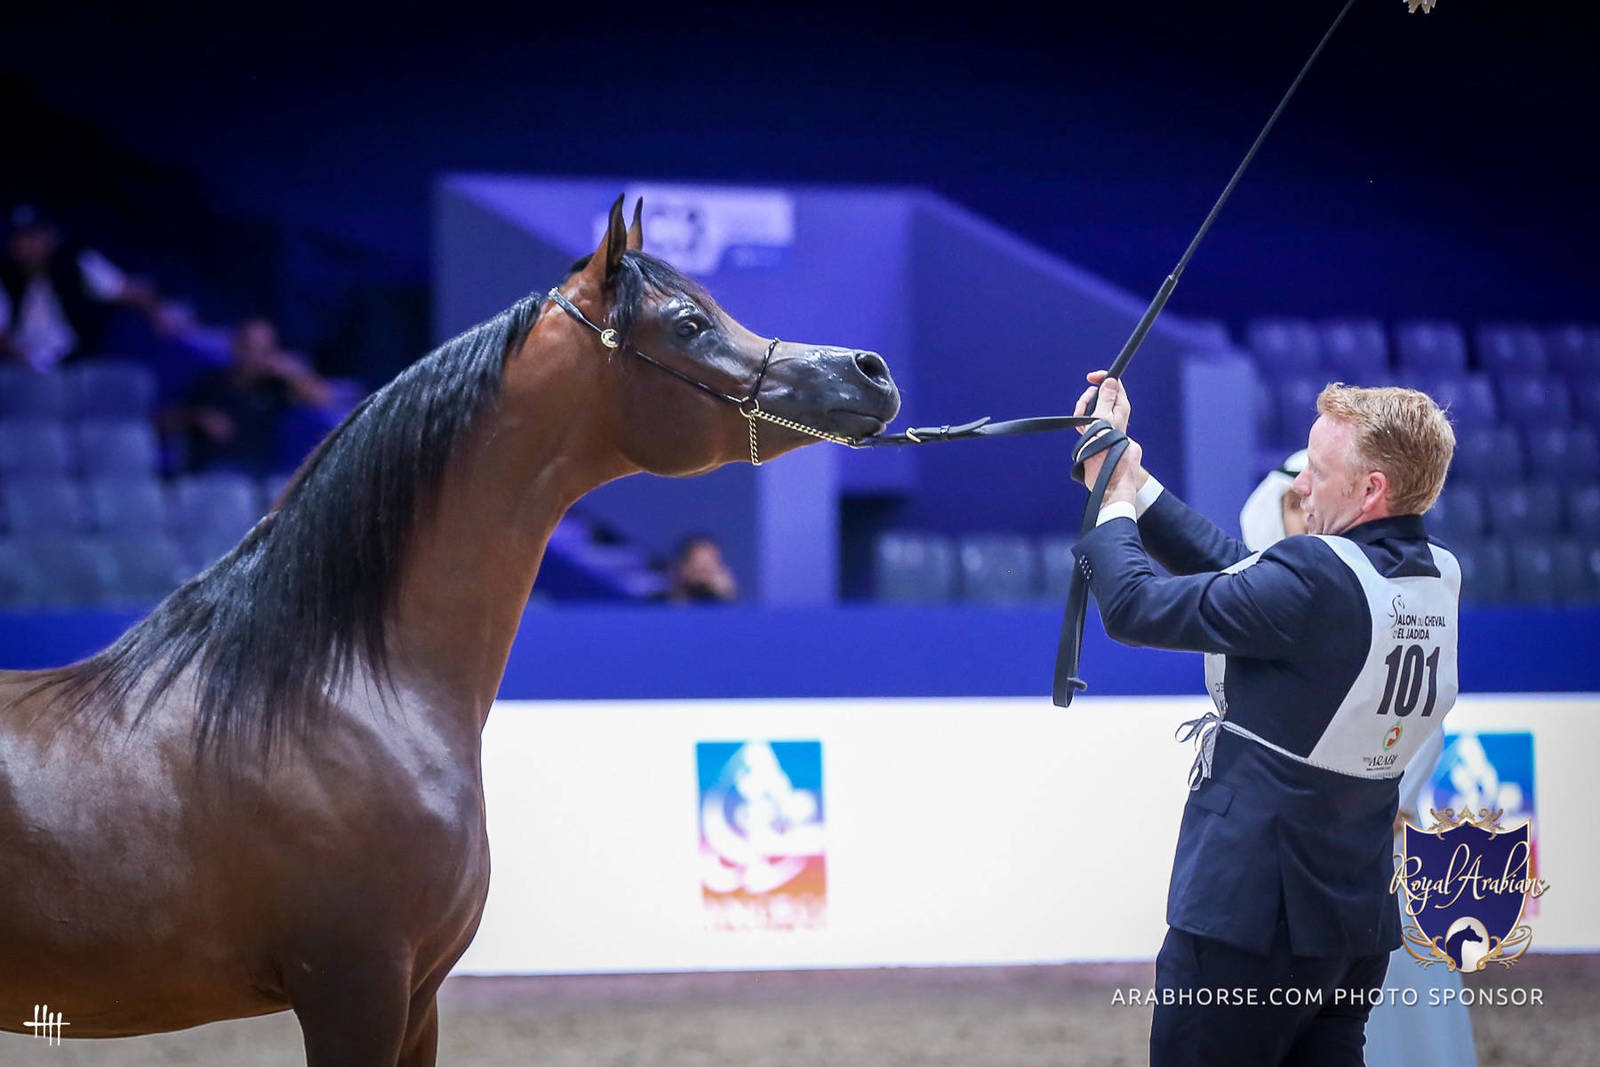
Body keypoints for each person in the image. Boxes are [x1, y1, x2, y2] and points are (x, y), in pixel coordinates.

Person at [1069, 373, 1460, 1066]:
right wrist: (1133, 473)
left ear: (1371, 490)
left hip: (1249, 917)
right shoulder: (1435, 577)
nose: (1302, 486)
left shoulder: (1317, 577)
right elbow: (1253, 578)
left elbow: (1131, 605)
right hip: (1352, 918)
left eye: (1317, 470)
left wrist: (1112, 501)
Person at [1239, 449, 1478, 1066]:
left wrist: (1374, 798)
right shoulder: (1265, 608)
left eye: (1313, 501)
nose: (1307, 518)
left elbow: (1421, 723)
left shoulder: (1393, 605)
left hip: (1372, 855)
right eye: (1294, 507)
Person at [0, 204, 167, 369]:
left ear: (51, 236)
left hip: (77, 364)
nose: (25, 245)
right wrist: (21, 357)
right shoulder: (6, 278)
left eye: (32, 236)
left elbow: (125, 290)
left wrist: (158, 314)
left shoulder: (76, 262)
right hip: (23, 368)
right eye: (19, 238)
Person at [164, 317, 337, 475]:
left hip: (260, 474)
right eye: (249, 348)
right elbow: (162, 421)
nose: (254, 356)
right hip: (213, 474)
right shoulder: (210, 382)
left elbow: (324, 399)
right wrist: (198, 416)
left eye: (263, 350)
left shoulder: (274, 386)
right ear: (236, 346)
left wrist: (290, 372)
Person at [661, 535, 739, 603]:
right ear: (682, 567)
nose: (707, 576)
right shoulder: (659, 604)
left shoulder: (722, 601)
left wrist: (728, 595)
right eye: (701, 569)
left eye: (711, 568)